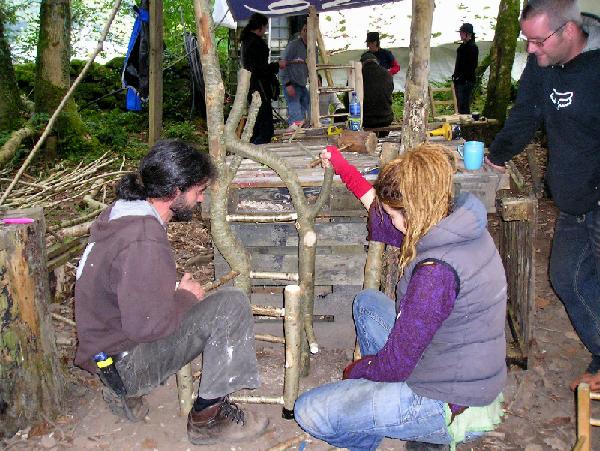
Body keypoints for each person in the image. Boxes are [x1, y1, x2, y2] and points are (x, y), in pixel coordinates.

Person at [294, 143, 507, 450]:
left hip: (452, 401)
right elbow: (374, 204)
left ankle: (420, 431)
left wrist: (359, 371)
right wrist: (341, 166)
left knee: (309, 411)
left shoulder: (437, 274)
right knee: (368, 305)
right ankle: (380, 423)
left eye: (395, 214)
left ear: (415, 211)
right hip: (457, 363)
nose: (391, 221)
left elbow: (396, 365)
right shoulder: (456, 221)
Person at [74, 139, 268, 446]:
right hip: (123, 364)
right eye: (198, 191)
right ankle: (209, 418)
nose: (202, 200)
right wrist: (185, 297)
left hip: (104, 357)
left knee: (197, 302)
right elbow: (147, 326)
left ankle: (121, 390)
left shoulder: (123, 215)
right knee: (231, 304)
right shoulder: (143, 240)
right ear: (175, 191)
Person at [485, 0, 600, 390]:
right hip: (572, 198)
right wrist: (496, 156)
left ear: (568, 31)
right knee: (566, 277)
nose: (531, 51)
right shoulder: (542, 64)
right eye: (527, 42)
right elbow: (525, 112)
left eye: (537, 41)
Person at [240, 13, 282, 144]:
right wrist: (276, 65)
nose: (265, 31)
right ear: (260, 27)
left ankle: (253, 147)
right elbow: (259, 69)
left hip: (252, 86)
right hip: (259, 87)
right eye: (265, 28)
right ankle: (259, 152)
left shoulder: (246, 40)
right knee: (264, 127)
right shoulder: (254, 43)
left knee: (257, 124)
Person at [280, 23, 310, 126]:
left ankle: (301, 133)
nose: (306, 33)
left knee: (307, 110)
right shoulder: (293, 45)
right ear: (301, 32)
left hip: (302, 84)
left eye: (308, 30)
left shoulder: (313, 48)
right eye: (304, 30)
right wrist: (287, 84)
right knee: (296, 114)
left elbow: (313, 66)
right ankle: (295, 134)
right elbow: (282, 64)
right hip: (292, 83)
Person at [360, 52, 394, 135]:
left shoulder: (357, 75)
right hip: (385, 119)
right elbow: (389, 92)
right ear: (377, 62)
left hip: (365, 120)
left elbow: (348, 99)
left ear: (361, 63)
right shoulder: (387, 74)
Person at [452, 23, 479, 114]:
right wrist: (456, 76)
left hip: (466, 81)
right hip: (460, 80)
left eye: (462, 33)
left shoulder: (472, 48)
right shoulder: (463, 47)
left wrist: (462, 77)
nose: (461, 35)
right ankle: (462, 123)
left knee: (464, 104)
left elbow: (472, 66)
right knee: (460, 104)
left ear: (468, 34)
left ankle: (465, 124)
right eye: (461, 33)